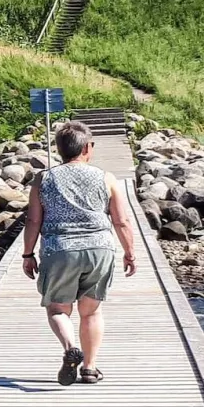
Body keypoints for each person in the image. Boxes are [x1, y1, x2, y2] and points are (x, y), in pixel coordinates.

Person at [21, 120, 137, 385]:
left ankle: (70, 347)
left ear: (60, 150)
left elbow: (33, 221)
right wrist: (129, 252)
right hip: (99, 249)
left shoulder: (44, 178)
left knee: (58, 309)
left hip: (59, 249)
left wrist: (28, 255)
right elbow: (121, 221)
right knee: (91, 312)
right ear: (87, 148)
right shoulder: (106, 178)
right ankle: (89, 368)